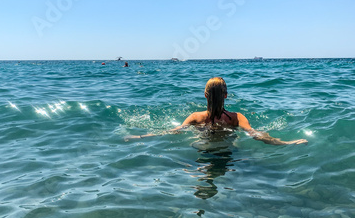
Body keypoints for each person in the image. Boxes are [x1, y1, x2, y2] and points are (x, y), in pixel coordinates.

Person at [127, 77, 308, 145]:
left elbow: (171, 132)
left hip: (202, 149)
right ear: (226, 95)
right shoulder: (236, 118)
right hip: (229, 151)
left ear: (205, 95)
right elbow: (256, 135)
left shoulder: (195, 117)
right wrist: (286, 143)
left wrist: (140, 137)